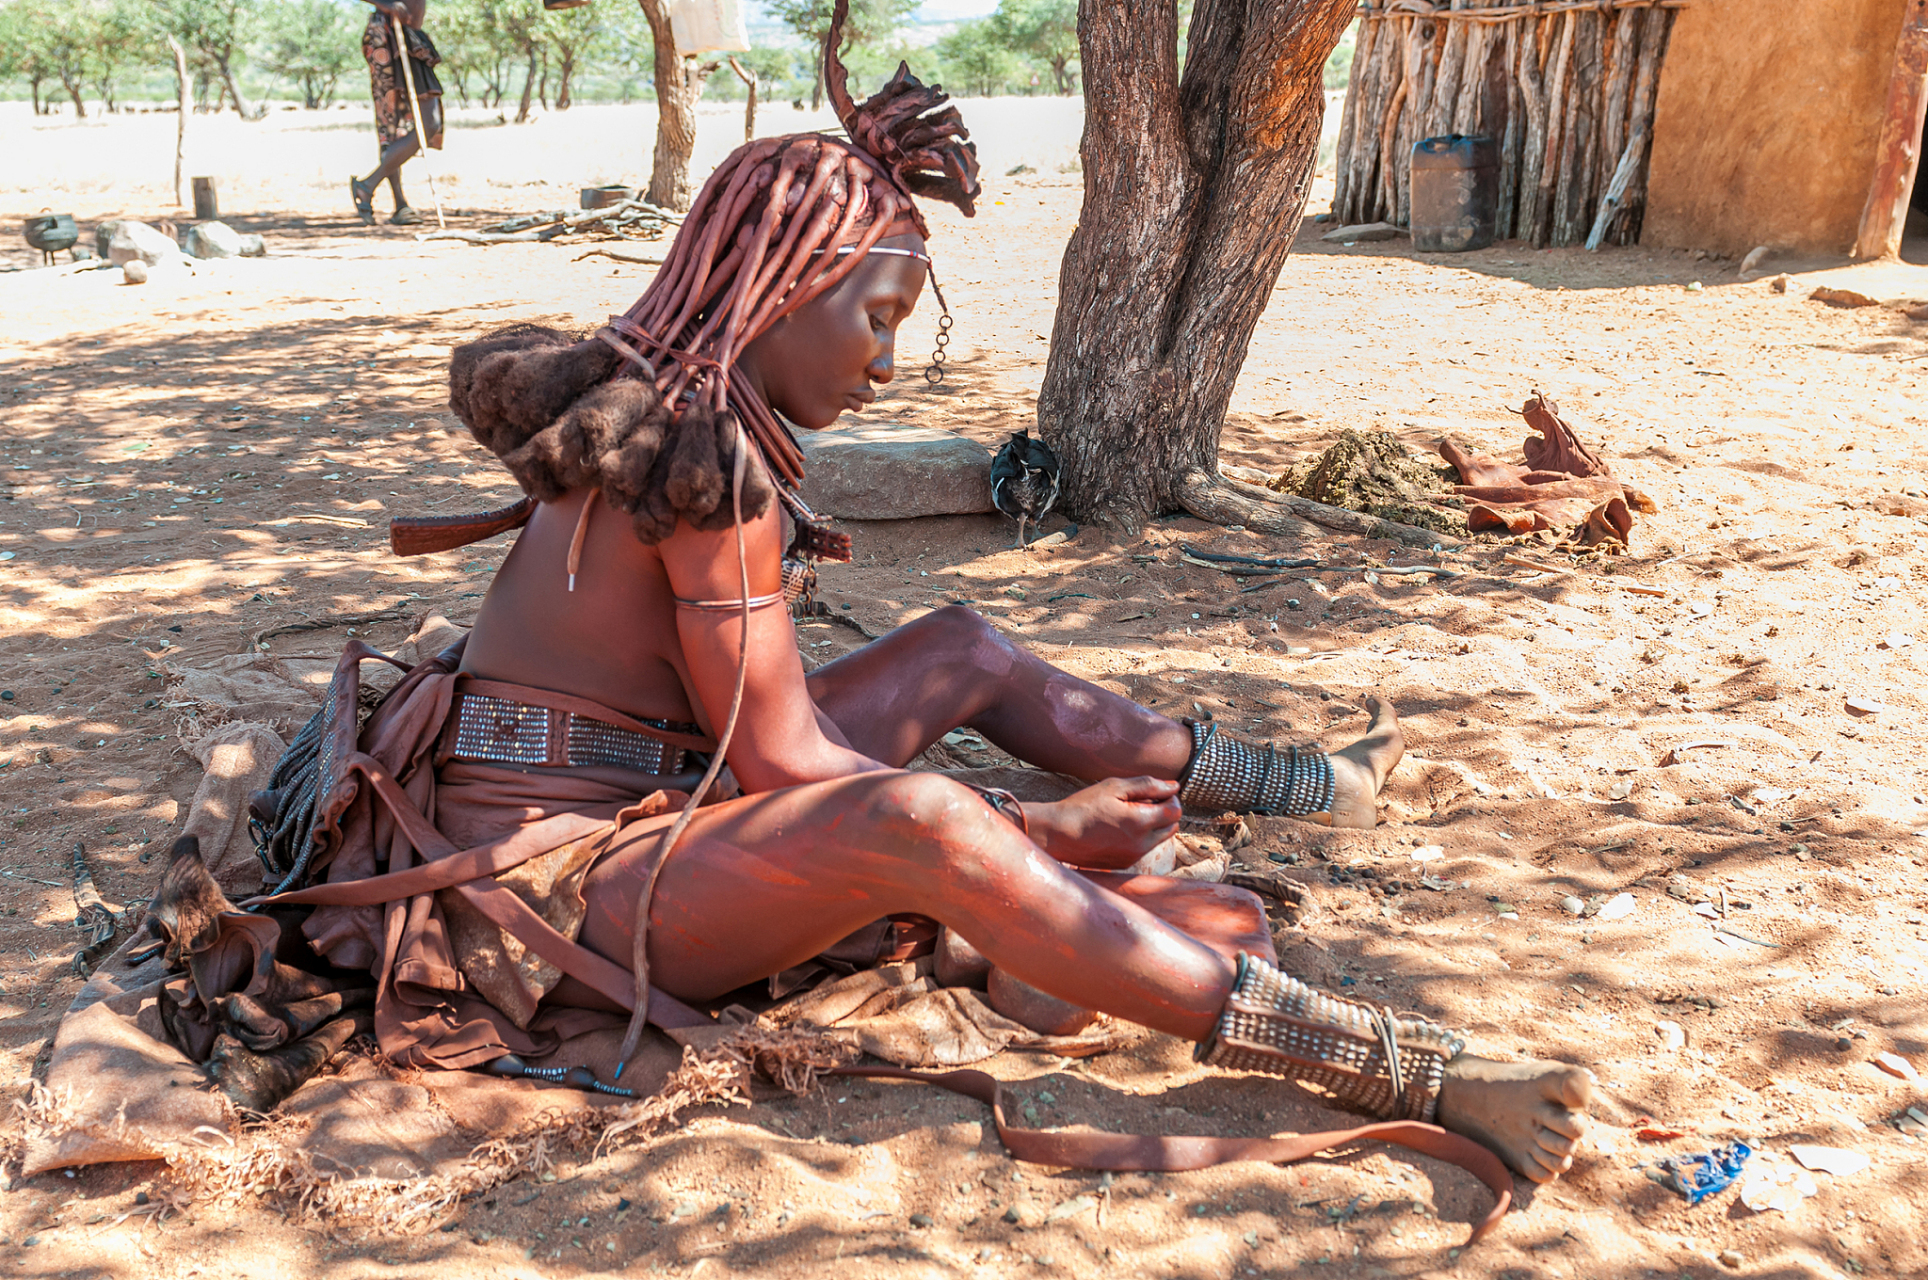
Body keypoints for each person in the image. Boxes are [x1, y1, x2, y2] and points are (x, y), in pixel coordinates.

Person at [162, 2, 1592, 1195]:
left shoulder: (659, 416)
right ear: (782, 288)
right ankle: (1407, 1069)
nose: (889, 365)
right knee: (922, 817)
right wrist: (1037, 830)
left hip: (631, 795)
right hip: (542, 885)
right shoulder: (694, 460)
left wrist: (1042, 842)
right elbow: (786, 763)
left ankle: (1281, 781)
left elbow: (753, 735)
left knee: (959, 649)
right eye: (880, 317)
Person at [351, 0, 443, 227]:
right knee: (391, 120)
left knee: (428, 122)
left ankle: (375, 189)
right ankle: (397, 202)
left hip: (410, 34)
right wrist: (387, 4)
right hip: (387, 34)